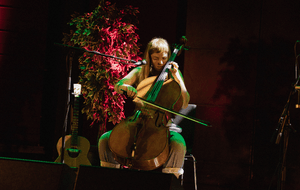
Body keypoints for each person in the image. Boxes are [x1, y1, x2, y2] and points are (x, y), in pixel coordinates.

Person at [98, 37, 190, 178]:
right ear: (149, 57)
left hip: (162, 125)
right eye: (156, 58)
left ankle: (171, 182)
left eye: (164, 58)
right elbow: (118, 85)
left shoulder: (173, 75)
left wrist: (178, 79)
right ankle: (109, 180)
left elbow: (185, 103)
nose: (160, 62)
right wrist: (126, 87)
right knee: (105, 140)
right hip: (137, 120)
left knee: (178, 143)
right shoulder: (140, 71)